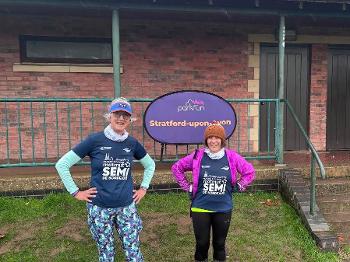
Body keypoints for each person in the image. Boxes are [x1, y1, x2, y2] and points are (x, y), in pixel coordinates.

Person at [55, 97, 155, 262]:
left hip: (126, 208)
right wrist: (75, 192)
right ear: (109, 116)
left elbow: (150, 165)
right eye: (117, 114)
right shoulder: (95, 140)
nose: (121, 118)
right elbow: (62, 165)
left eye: (125, 115)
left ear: (130, 119)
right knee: (106, 253)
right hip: (100, 209)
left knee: (133, 252)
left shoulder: (132, 143)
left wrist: (143, 188)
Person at [171, 123, 255, 262]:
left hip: (223, 207)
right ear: (206, 140)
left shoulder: (232, 157)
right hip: (200, 206)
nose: (213, 141)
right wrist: (188, 187)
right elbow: (177, 168)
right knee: (202, 244)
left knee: (219, 244)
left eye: (217, 138)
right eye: (210, 138)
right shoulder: (198, 156)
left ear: (222, 140)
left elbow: (249, 172)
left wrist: (240, 185)